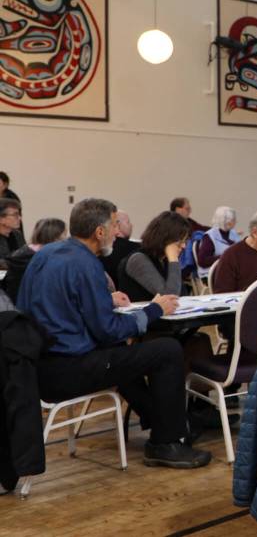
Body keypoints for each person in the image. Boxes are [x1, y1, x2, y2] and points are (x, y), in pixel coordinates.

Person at [17, 198, 210, 468]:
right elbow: (108, 330)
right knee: (166, 350)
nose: (117, 232)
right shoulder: (86, 264)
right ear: (99, 232)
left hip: (37, 366)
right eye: (114, 225)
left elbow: (57, 301)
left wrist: (105, 300)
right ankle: (165, 443)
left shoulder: (46, 255)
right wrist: (155, 310)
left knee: (122, 357)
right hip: (69, 370)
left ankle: (165, 423)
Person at [120, 211, 190, 302]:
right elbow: (170, 297)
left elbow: (182, 293)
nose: (184, 246)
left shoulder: (163, 259)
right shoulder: (137, 259)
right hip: (143, 315)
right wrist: (173, 260)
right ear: (165, 238)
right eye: (180, 241)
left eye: (185, 241)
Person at [5, 218, 65, 303]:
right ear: (55, 237)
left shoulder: (24, 254)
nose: (65, 240)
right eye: (63, 235)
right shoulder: (41, 258)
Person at [196, 206, 241, 277]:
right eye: (234, 220)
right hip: (212, 273)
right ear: (227, 222)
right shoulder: (210, 237)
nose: (236, 222)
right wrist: (225, 257)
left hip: (230, 270)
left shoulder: (233, 233)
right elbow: (202, 261)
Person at [102, 211, 141, 283]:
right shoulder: (137, 249)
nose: (131, 225)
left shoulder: (100, 249)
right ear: (117, 224)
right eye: (128, 222)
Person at [0, 198, 25, 268]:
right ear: (1, 219)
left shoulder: (17, 234)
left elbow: (24, 256)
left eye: (19, 214)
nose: (20, 218)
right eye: (15, 215)